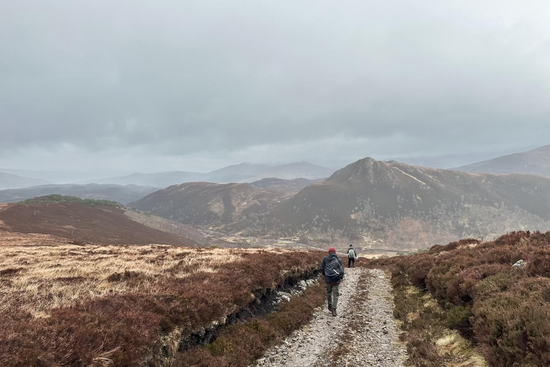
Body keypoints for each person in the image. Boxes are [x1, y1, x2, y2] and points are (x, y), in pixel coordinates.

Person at [321, 247, 344, 316]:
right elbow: (342, 271)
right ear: (335, 252)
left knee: (329, 292)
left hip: (328, 280)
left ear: (329, 252)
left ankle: (329, 305)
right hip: (336, 280)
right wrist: (340, 278)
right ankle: (334, 309)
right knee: (335, 294)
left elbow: (322, 269)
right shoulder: (339, 260)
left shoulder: (325, 259)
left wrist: (326, 276)